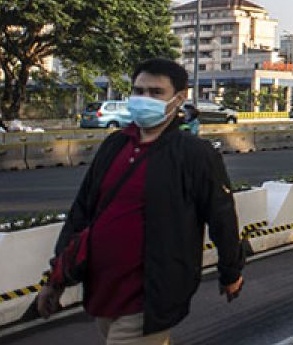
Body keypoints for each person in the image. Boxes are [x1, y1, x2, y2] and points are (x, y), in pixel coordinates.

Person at [36, 57, 244, 343]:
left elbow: (221, 216)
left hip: (150, 297)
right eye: (139, 91)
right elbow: (81, 213)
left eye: (156, 92)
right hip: (102, 291)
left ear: (179, 98)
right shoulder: (115, 144)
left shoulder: (195, 154)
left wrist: (230, 272)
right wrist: (55, 279)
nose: (144, 99)